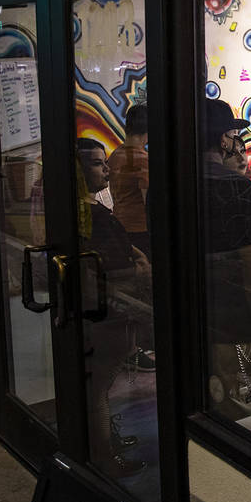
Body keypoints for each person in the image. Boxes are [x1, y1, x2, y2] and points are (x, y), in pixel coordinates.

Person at [76, 137, 154, 476]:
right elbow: (110, 269)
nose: (106, 169)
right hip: (109, 314)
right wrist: (138, 269)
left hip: (107, 311)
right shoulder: (92, 217)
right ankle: (106, 457)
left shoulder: (88, 212)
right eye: (96, 164)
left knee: (101, 389)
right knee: (98, 391)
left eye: (103, 162)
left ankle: (105, 439)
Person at [200, 99, 251, 418]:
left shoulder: (170, 182)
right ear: (222, 140)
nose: (238, 143)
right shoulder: (236, 186)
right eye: (234, 134)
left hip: (190, 320)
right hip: (232, 319)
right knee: (240, 414)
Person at [108, 102, 150, 258]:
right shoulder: (143, 160)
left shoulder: (116, 154)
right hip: (140, 229)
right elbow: (149, 203)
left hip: (120, 225)